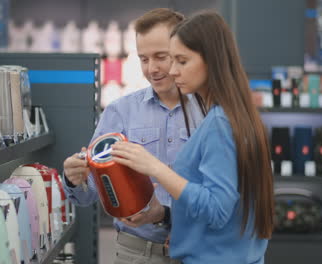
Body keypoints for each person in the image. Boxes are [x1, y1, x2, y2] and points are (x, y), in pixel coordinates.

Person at [111, 10, 275, 263]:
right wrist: (162, 214)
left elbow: (216, 210)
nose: (173, 71)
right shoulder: (239, 116)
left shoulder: (220, 122)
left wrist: (155, 167)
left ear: (211, 60)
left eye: (182, 61)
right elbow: (228, 210)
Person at [62, 8, 202, 264]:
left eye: (161, 57)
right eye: (144, 59)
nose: (152, 69)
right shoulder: (120, 111)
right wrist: (75, 180)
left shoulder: (209, 113)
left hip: (200, 250)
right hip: (137, 253)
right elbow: (90, 194)